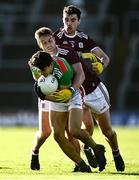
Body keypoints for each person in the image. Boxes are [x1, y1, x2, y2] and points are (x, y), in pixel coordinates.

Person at [53, 5, 125, 172]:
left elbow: (104, 58)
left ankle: (115, 152)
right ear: (62, 20)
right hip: (74, 91)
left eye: (72, 20)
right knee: (75, 131)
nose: (69, 23)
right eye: (66, 20)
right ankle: (80, 161)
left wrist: (101, 66)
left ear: (78, 22)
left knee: (107, 131)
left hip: (92, 89)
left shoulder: (84, 39)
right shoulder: (55, 38)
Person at [29, 27, 106, 172]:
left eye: (50, 40)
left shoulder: (64, 61)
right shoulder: (38, 60)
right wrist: (42, 90)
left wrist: (70, 90)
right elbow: (39, 80)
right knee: (54, 135)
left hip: (71, 93)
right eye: (44, 43)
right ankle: (81, 165)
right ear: (40, 45)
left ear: (54, 38)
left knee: (74, 131)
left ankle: (96, 149)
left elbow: (80, 76)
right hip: (55, 97)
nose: (48, 44)